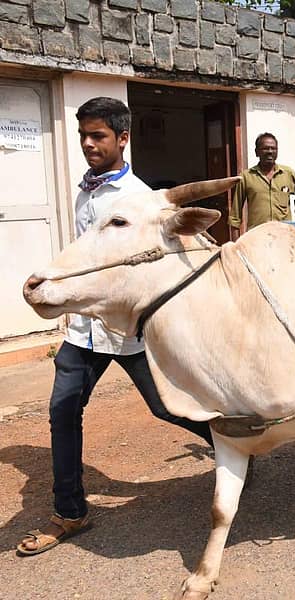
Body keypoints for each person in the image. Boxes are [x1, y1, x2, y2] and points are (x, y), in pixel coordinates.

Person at [16, 97, 213, 556]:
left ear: (123, 139)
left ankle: (232, 446)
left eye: (98, 136)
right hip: (83, 330)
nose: (88, 144)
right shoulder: (86, 190)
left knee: (168, 408)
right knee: (63, 412)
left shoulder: (142, 201)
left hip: (127, 330)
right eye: (83, 135)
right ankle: (69, 512)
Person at [229, 133, 295, 240]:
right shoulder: (247, 177)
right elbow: (235, 213)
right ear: (257, 152)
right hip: (257, 237)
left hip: (283, 235)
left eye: (273, 148)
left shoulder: (288, 174)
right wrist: (235, 243)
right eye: (265, 148)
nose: (270, 151)